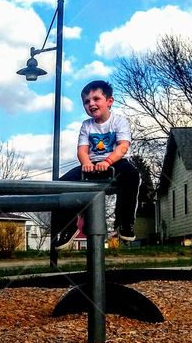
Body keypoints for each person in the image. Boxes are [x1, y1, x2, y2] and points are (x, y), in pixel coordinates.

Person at [55, 80, 141, 244]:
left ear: (109, 101)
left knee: (132, 174)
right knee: (61, 185)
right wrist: (86, 162)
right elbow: (82, 149)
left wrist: (108, 161)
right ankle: (68, 226)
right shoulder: (86, 125)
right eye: (86, 102)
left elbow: (123, 146)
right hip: (91, 165)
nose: (91, 104)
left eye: (96, 99)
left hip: (115, 162)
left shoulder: (119, 121)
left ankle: (125, 222)